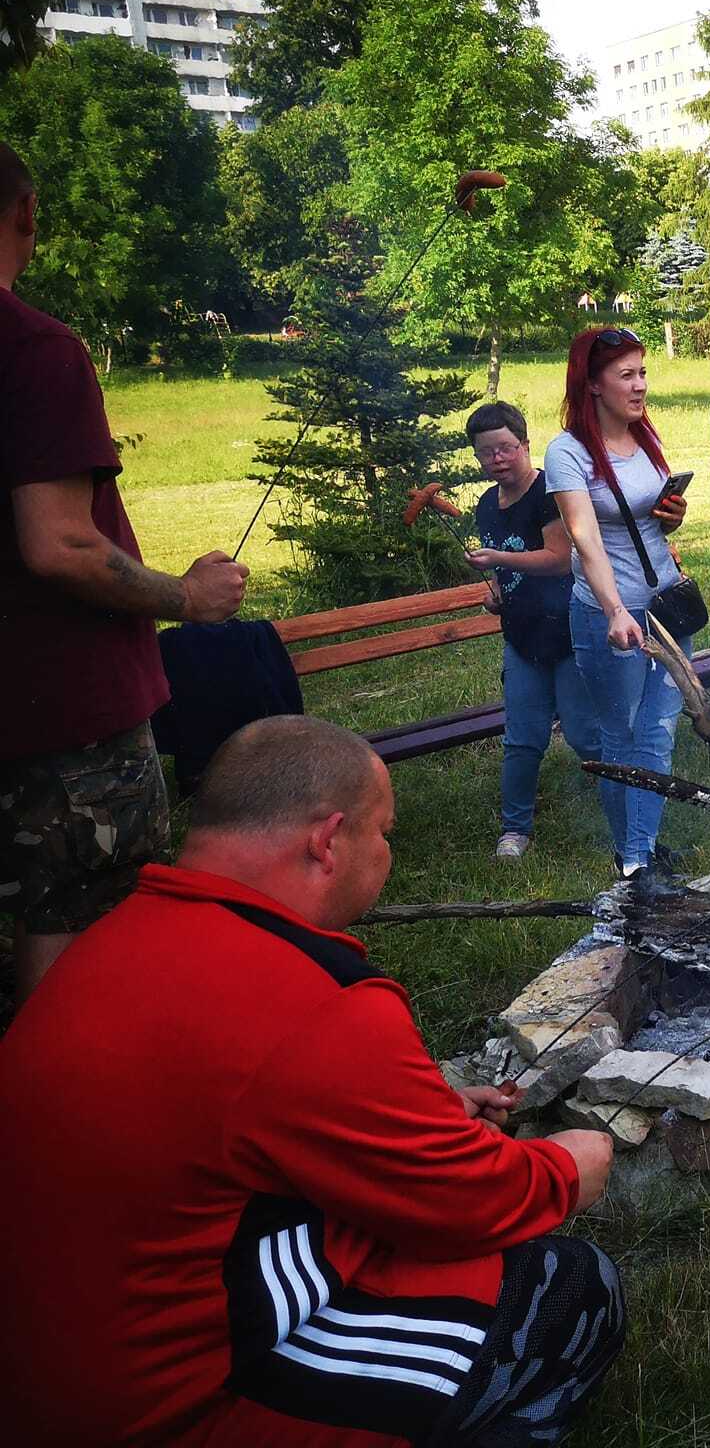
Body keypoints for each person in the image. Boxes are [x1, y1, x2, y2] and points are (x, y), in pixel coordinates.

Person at [0, 716, 622, 1444]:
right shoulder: (317, 1002)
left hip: (50, 1364)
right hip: (165, 1406)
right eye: (383, 833)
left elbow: (234, 1106)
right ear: (329, 841)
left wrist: (422, 1111)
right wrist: (567, 1167)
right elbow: (468, 1203)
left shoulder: (107, 944)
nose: (386, 853)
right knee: (574, 1287)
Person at [0, 139, 247, 1001]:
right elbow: (59, 543)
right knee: (80, 919)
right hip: (62, 712)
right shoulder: (33, 349)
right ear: (27, 213)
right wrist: (188, 595)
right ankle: (71, 1085)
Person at [545, 325, 688, 877]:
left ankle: (642, 850)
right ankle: (632, 861)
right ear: (592, 384)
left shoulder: (643, 438)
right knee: (621, 735)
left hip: (666, 607)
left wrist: (672, 515)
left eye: (643, 372)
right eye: (626, 375)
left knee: (659, 732)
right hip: (610, 616)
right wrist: (613, 609)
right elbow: (584, 537)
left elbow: (649, 522)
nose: (640, 385)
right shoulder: (568, 453)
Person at [463, 400, 599, 858]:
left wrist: (499, 559)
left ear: (525, 444)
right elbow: (506, 570)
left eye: (505, 448)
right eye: (486, 452)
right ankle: (514, 830)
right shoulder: (487, 504)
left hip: (568, 633)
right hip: (521, 638)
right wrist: (497, 593)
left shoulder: (548, 493)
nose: (497, 459)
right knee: (522, 738)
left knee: (584, 734)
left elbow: (559, 559)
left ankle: (623, 805)